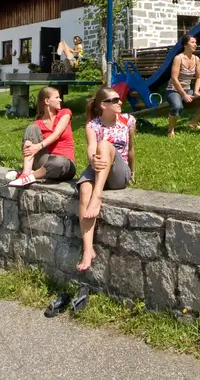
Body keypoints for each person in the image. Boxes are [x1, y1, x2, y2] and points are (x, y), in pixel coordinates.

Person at [76, 87, 135, 271]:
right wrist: (92, 158)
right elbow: (90, 148)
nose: (120, 102)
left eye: (119, 99)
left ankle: (97, 196)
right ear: (103, 105)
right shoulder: (92, 125)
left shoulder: (128, 121)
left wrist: (132, 172)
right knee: (85, 189)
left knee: (105, 144)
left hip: (118, 172)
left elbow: (131, 149)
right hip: (99, 167)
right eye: (115, 100)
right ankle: (88, 249)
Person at [8, 87, 76, 187]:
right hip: (45, 162)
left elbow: (57, 134)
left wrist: (38, 146)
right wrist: (29, 145)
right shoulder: (38, 123)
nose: (60, 100)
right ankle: (25, 174)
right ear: (47, 101)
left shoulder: (65, 113)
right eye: (57, 97)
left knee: (57, 162)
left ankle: (29, 177)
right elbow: (30, 146)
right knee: (31, 128)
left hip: (65, 165)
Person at [166, 34, 200, 136]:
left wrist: (196, 91)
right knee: (177, 107)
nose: (195, 45)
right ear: (185, 44)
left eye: (195, 42)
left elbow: (199, 77)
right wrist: (184, 95)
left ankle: (193, 122)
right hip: (173, 90)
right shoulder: (178, 58)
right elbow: (174, 79)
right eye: (192, 42)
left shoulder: (196, 59)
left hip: (187, 90)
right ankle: (171, 130)